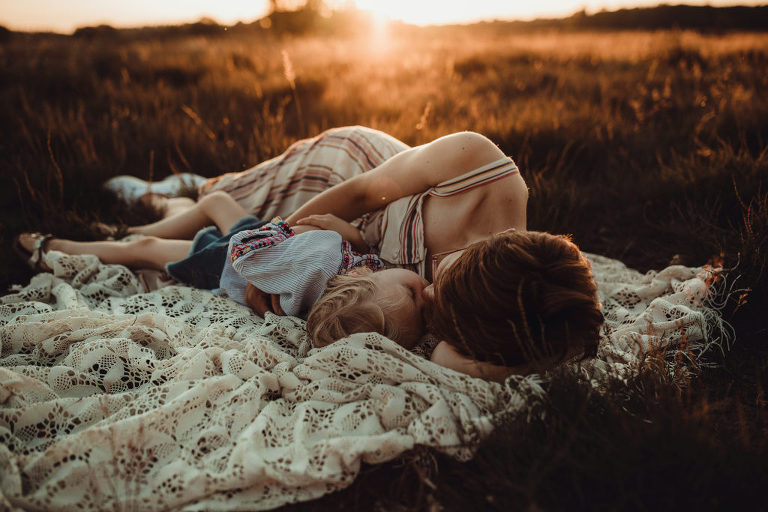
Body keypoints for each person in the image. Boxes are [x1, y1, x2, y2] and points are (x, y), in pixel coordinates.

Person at [105, 126, 604, 380]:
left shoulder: (491, 311)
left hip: (349, 240)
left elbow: (456, 362)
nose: (430, 285)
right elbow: (365, 192)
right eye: (449, 269)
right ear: (497, 250)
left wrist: (531, 357)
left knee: (215, 218)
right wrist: (279, 243)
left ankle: (172, 199)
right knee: (241, 193)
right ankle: (169, 189)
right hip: (346, 178)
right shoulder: (477, 165)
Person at [15, 190, 429, 349]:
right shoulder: (360, 288)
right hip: (266, 246)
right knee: (214, 201)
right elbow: (369, 261)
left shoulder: (322, 266)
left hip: (228, 262)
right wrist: (353, 240)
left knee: (147, 250)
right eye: (416, 300)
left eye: (416, 299)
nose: (424, 294)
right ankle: (133, 225)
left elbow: (245, 251)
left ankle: (57, 246)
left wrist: (287, 229)